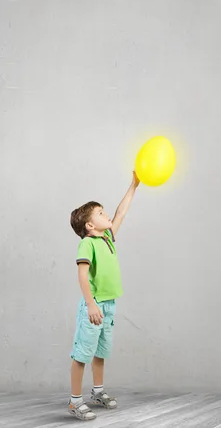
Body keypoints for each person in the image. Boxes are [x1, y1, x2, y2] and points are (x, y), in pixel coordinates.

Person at [67, 171, 140, 421]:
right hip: (94, 306)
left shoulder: (107, 236)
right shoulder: (87, 244)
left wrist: (134, 185)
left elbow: (120, 213)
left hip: (109, 305)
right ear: (89, 226)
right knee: (82, 354)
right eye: (100, 213)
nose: (106, 214)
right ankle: (75, 402)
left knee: (100, 352)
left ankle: (97, 392)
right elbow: (82, 275)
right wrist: (90, 304)